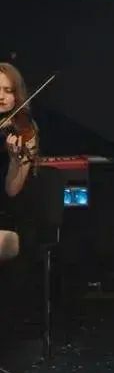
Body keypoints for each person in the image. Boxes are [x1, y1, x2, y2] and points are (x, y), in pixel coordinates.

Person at [0, 62, 37, 262]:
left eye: (8, 90)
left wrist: (15, 162)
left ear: (17, 95)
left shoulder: (24, 131)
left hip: (8, 219)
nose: (1, 96)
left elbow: (12, 190)